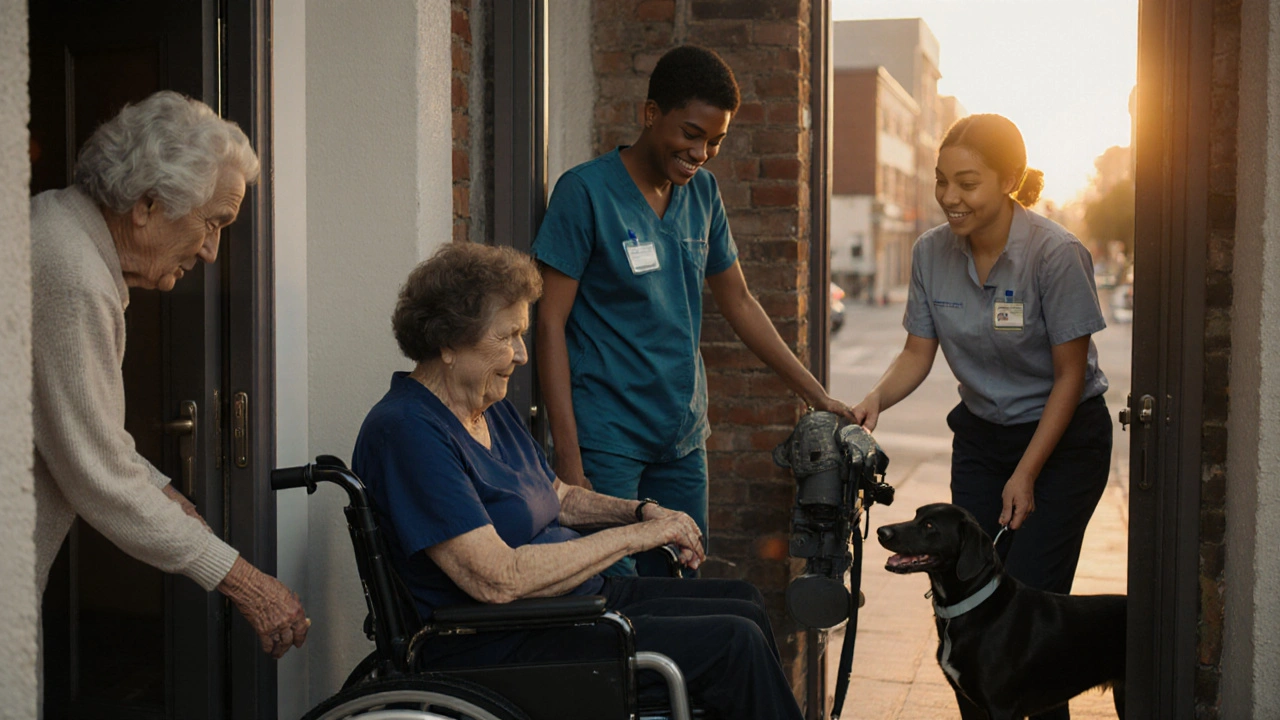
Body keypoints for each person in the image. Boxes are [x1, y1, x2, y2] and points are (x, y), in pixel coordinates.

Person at [351, 242, 804, 720]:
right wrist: (635, 538)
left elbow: (559, 496)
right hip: (503, 640)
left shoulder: (488, 406)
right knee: (733, 643)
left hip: (570, 604)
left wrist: (644, 512)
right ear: (447, 342)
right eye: (508, 337)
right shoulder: (407, 432)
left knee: (745, 602)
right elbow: (496, 579)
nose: (522, 355)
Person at [533, 45, 854, 575]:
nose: (702, 152)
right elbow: (549, 324)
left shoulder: (703, 195)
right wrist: (568, 457)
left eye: (715, 141)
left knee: (681, 586)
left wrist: (815, 393)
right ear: (651, 114)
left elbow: (741, 302)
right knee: (616, 595)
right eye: (691, 134)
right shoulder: (585, 193)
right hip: (606, 439)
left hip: (681, 439)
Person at [31, 91, 309, 660]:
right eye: (213, 222)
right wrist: (246, 583)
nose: (211, 250)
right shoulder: (70, 272)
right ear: (148, 204)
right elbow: (97, 474)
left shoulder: (63, 233)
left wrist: (160, 491)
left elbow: (90, 440)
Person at [852, 114, 1111, 720]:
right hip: (981, 439)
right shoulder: (930, 253)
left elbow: (1070, 377)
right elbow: (918, 352)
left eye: (966, 183)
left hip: (1062, 442)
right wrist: (874, 402)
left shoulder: (1056, 253)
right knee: (966, 601)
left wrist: (1026, 474)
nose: (949, 197)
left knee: (1032, 616)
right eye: (942, 181)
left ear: (1009, 181)